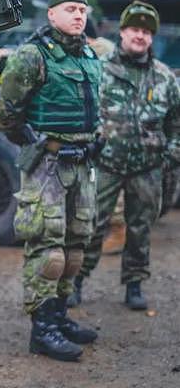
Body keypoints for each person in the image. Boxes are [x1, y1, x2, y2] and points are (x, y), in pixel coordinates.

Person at [0, 0, 101, 362]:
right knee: (47, 248)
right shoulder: (32, 55)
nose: (78, 15)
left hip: (82, 164)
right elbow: (5, 109)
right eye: (70, 8)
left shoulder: (89, 55)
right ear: (51, 14)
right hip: (49, 165)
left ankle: (59, 316)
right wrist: (29, 140)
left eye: (82, 10)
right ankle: (43, 330)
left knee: (75, 248)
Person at [70, 0, 180, 310]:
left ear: (152, 37)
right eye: (134, 29)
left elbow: (177, 122)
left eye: (146, 31)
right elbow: (82, 112)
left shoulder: (164, 78)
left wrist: (170, 156)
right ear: (122, 33)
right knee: (91, 224)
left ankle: (134, 283)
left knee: (140, 228)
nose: (140, 36)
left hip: (147, 168)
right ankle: (76, 281)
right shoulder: (100, 70)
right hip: (105, 163)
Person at [84, 19, 126, 256]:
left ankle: (118, 228)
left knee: (109, 173)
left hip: (110, 121)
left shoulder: (102, 49)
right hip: (106, 119)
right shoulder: (106, 49)